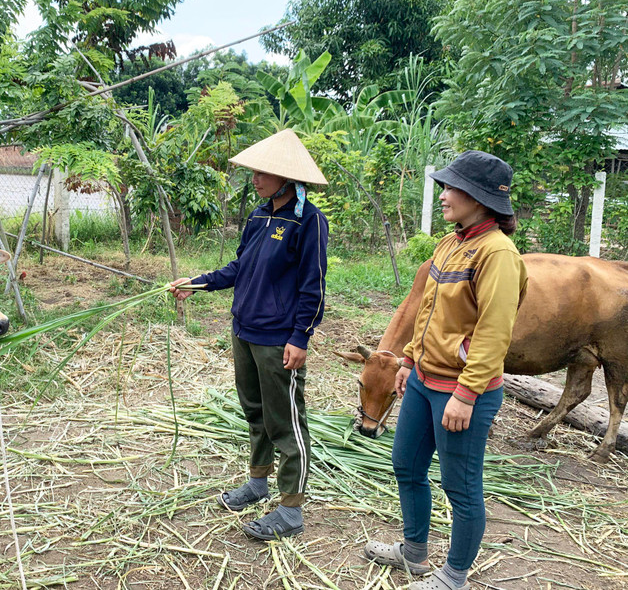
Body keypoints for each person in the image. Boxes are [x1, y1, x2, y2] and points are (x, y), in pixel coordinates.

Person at [364, 151, 528, 589]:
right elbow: (428, 312)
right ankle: (414, 553)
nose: (443, 195)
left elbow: (494, 332)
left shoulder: (498, 254)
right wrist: (409, 360)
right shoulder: (450, 243)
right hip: (423, 381)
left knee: (461, 486)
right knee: (405, 465)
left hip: (460, 391)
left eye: (451, 187)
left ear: (479, 198)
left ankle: (454, 576)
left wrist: (467, 394)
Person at [169, 128, 329, 541]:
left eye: (262, 172)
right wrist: (198, 283)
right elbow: (240, 267)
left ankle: (291, 509)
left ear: (287, 178)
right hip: (244, 330)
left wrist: (301, 337)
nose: (254, 179)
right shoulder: (259, 216)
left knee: (286, 421)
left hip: (278, 339)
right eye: (254, 172)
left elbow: (313, 285)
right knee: (255, 411)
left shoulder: (308, 221)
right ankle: (258, 482)